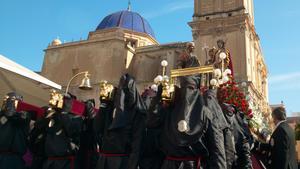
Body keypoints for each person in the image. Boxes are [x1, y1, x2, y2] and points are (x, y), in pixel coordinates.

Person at [94, 74, 146, 169]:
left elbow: (137, 143)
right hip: (105, 160)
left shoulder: (137, 113)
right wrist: (103, 105)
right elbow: (97, 128)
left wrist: (132, 164)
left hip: (123, 161)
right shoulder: (109, 108)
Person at [0, 92, 31, 169]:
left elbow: (16, 118)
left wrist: (11, 110)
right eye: (8, 101)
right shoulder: (2, 115)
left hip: (14, 158)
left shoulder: (24, 116)